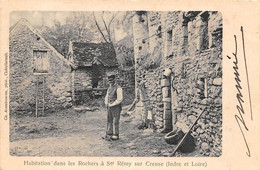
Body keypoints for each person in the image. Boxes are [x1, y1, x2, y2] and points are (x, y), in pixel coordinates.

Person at [104, 73, 123, 141]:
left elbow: (120, 99)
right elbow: (107, 96)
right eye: (109, 80)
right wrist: (106, 102)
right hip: (109, 106)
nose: (110, 82)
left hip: (116, 107)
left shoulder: (118, 88)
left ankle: (116, 134)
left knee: (115, 121)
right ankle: (109, 133)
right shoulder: (109, 88)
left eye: (111, 80)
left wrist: (112, 104)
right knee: (109, 120)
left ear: (114, 79)